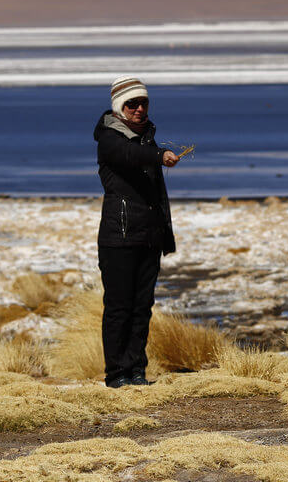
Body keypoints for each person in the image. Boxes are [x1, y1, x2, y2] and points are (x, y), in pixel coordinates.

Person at [93, 75, 181, 388]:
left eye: (143, 103)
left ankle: (136, 370)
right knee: (119, 307)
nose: (139, 109)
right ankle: (116, 373)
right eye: (132, 104)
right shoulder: (109, 138)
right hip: (119, 237)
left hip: (148, 237)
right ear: (120, 106)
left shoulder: (147, 138)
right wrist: (159, 155)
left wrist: (163, 235)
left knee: (142, 307)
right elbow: (128, 156)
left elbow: (156, 192)